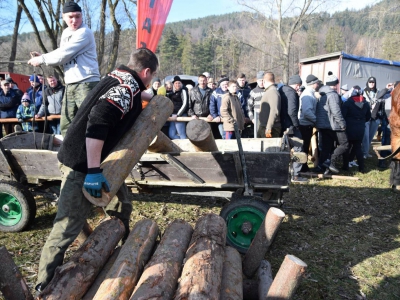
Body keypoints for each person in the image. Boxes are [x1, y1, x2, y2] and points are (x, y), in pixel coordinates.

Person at [35, 47, 158, 293]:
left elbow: (123, 100)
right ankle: (44, 287)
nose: (151, 80)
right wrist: (92, 170)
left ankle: (122, 255)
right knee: (66, 227)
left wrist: (153, 99)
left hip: (96, 162)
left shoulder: (117, 78)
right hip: (81, 163)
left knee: (121, 205)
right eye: (152, 76)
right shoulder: (125, 89)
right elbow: (98, 122)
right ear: (145, 72)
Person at [28, 1, 101, 137]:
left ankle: (94, 155)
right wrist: (44, 56)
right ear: (63, 17)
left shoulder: (85, 32)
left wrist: (41, 59)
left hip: (87, 83)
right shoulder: (66, 32)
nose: (74, 20)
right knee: (67, 125)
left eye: (78, 16)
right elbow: (62, 51)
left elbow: (63, 55)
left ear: (82, 16)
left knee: (90, 123)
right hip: (71, 84)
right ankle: (71, 156)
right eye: (70, 17)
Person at [279, 74, 308, 182]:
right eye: (298, 85)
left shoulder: (282, 90)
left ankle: (285, 173)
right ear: (296, 84)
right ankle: (296, 175)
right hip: (290, 125)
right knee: (298, 147)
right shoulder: (291, 93)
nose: (298, 88)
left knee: (285, 149)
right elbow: (292, 111)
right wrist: (296, 125)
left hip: (283, 124)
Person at [318, 72, 349, 174]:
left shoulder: (322, 94)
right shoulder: (333, 95)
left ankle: (322, 167)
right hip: (334, 125)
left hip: (323, 125)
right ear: (335, 84)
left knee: (326, 147)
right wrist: (342, 124)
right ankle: (330, 162)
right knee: (344, 144)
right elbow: (336, 111)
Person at [341, 86, 371, 173]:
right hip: (360, 128)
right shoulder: (365, 103)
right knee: (358, 147)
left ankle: (345, 166)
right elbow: (368, 117)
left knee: (347, 146)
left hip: (349, 127)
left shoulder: (348, 103)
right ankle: (361, 167)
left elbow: (343, 115)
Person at [299, 74, 320, 171]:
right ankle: (303, 166)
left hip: (307, 124)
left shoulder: (310, 93)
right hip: (305, 124)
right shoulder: (307, 95)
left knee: (306, 146)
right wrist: (316, 120)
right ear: (313, 84)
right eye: (317, 82)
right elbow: (307, 112)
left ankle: (304, 165)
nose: (318, 84)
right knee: (305, 146)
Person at [258, 72, 281, 138]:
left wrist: (269, 127)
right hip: (265, 126)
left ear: (264, 81)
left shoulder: (272, 92)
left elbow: (274, 110)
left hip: (271, 128)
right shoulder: (269, 91)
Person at [362, 76, 380, 158]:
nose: (371, 84)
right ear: (367, 82)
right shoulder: (363, 91)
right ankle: (364, 153)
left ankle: (366, 151)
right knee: (365, 136)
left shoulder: (378, 92)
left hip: (375, 118)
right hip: (366, 117)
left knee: (370, 136)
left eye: (373, 82)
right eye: (370, 82)